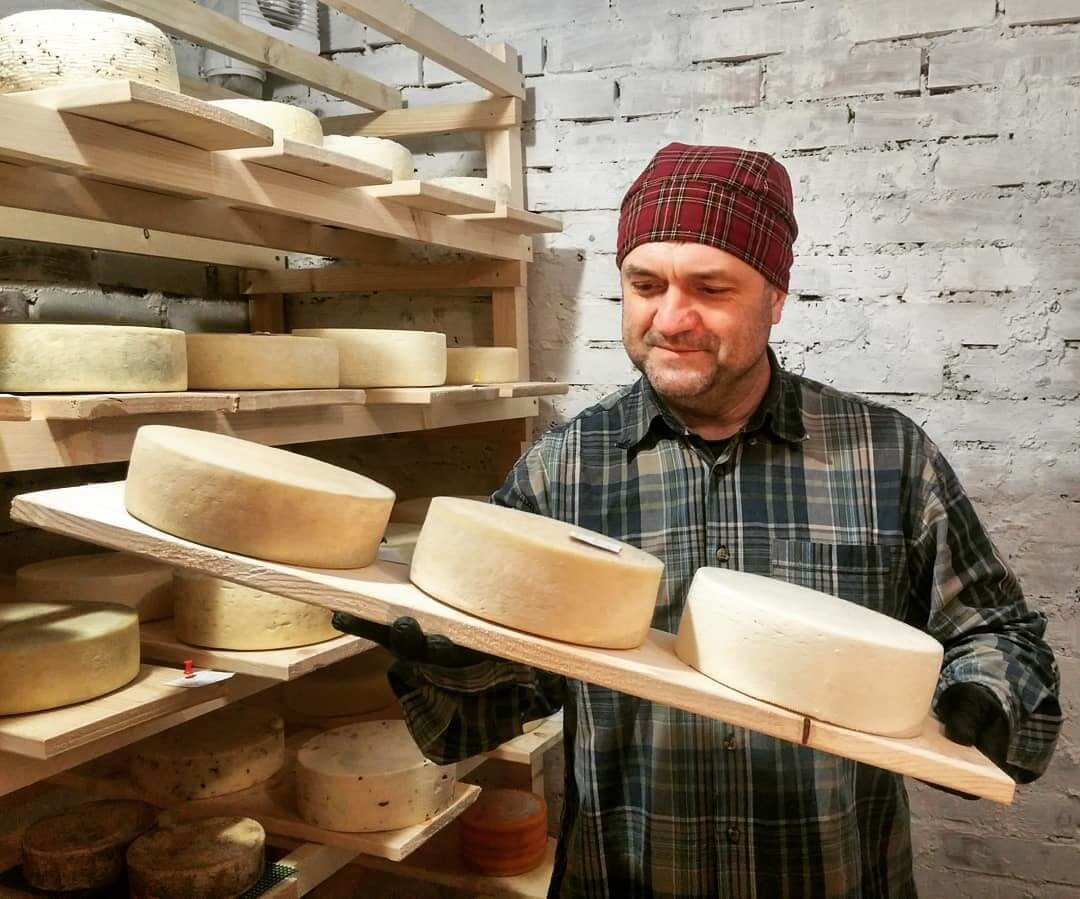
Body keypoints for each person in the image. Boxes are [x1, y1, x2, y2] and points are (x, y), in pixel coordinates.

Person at [334, 143, 1062, 899]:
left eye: (710, 288)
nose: (671, 319)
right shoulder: (563, 470)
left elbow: (998, 632)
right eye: (645, 285)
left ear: (776, 298)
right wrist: (454, 662)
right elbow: (488, 712)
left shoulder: (888, 458)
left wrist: (986, 691)